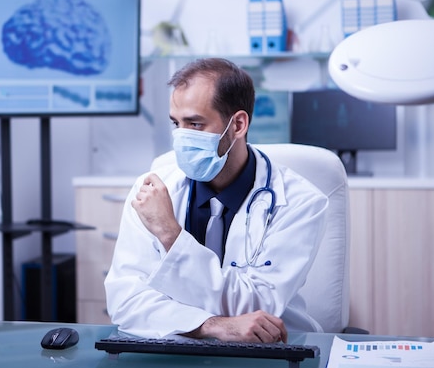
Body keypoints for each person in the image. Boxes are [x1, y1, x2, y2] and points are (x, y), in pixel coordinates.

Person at [104, 58, 328, 343]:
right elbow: (126, 300)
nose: (181, 137)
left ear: (237, 124)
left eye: (195, 124)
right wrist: (211, 326)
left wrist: (170, 235)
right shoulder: (152, 190)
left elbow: (258, 309)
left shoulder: (300, 202)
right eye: (176, 123)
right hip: (175, 350)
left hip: (269, 353)